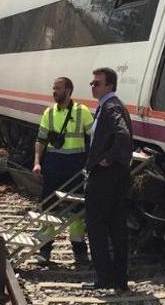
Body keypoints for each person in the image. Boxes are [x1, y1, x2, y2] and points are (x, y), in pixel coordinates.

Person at [32, 77, 94, 265]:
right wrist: (37, 162)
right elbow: (41, 140)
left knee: (76, 210)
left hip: (75, 166)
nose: (54, 92)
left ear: (68, 90)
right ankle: (45, 250)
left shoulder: (81, 111)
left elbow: (94, 137)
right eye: (53, 88)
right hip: (53, 164)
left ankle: (79, 251)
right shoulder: (49, 112)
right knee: (49, 207)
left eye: (57, 88)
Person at [83, 67, 133, 291]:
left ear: (109, 86)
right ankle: (119, 279)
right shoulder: (111, 105)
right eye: (92, 83)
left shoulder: (111, 106)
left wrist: (107, 159)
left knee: (96, 226)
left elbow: (123, 135)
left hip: (105, 176)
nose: (93, 87)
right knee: (116, 226)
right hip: (117, 175)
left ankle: (104, 277)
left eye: (97, 83)